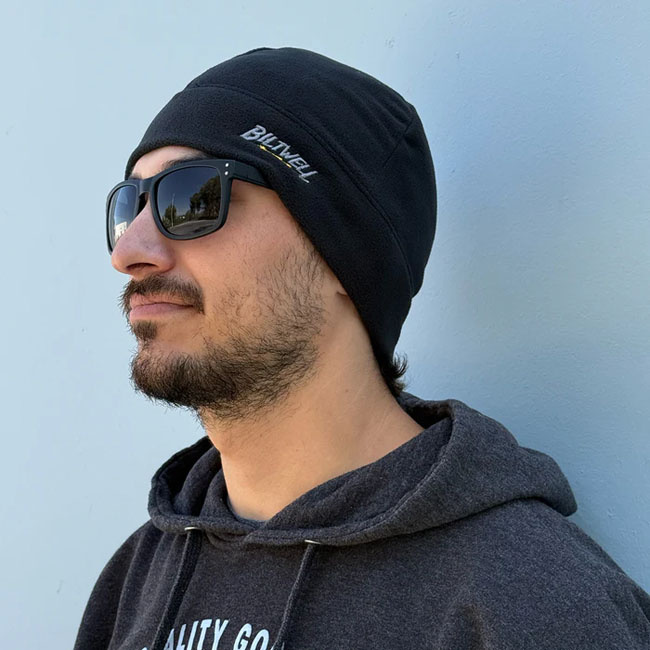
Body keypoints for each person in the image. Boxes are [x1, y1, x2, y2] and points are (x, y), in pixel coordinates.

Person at [75, 47, 650, 650]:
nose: (128, 253)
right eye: (130, 205)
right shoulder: (140, 573)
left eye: (191, 196)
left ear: (343, 256)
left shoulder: (528, 603)